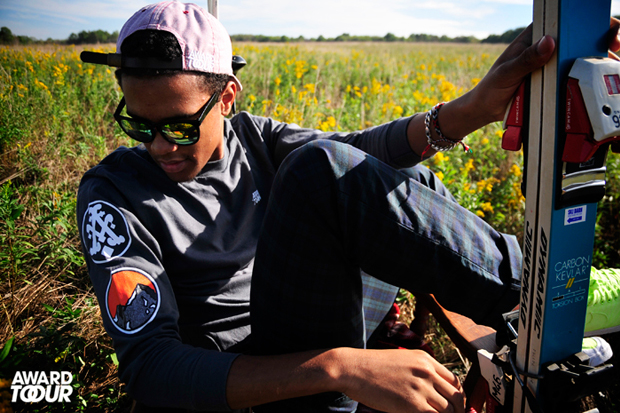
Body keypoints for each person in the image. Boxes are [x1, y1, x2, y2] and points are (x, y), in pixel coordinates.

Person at [76, 2, 620, 412]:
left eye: (179, 126)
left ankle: (536, 295)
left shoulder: (253, 139)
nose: (159, 147)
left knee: (401, 177)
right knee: (318, 173)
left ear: (226, 97)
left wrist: (475, 107)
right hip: (258, 384)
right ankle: (547, 296)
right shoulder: (113, 195)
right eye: (138, 126)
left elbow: (359, 154)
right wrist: (342, 368)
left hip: (310, 325)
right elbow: (152, 368)